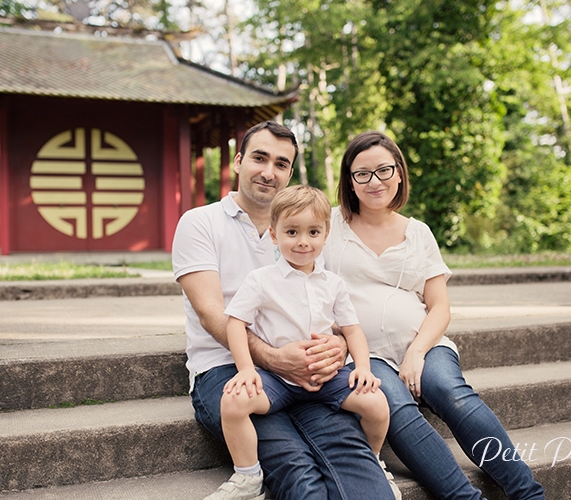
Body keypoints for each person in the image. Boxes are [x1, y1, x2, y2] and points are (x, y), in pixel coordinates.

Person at [172, 121, 398, 500]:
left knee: (356, 466)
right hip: (228, 368)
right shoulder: (200, 223)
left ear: (289, 173)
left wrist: (337, 347)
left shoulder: (306, 227)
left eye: (281, 164)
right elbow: (215, 315)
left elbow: (331, 306)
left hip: (310, 374)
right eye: (259, 158)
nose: (268, 171)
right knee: (298, 471)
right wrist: (275, 360)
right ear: (239, 162)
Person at [323, 131, 546, 500]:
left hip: (422, 344)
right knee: (394, 404)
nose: (374, 181)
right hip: (363, 353)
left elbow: (440, 306)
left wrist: (416, 353)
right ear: (349, 180)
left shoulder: (418, 233)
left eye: (383, 170)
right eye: (361, 174)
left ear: (399, 174)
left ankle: (529, 494)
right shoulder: (330, 226)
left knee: (450, 391)